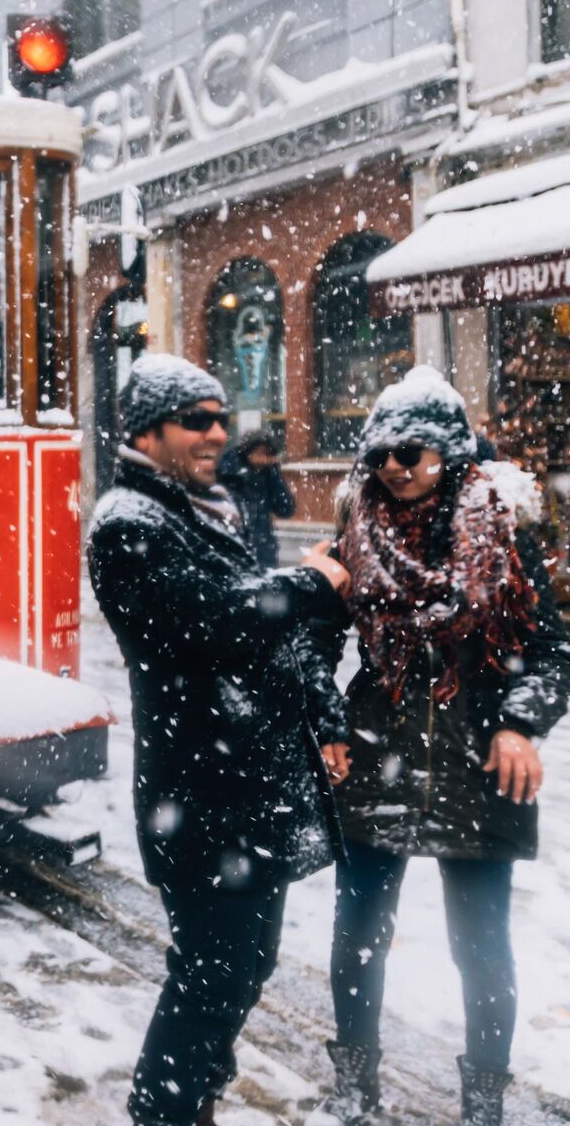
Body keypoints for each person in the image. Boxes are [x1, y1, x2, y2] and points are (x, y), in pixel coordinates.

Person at [88, 353, 352, 1126]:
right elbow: (212, 620)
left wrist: (326, 716)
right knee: (212, 971)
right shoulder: (128, 522)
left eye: (220, 418)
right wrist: (308, 587)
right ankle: (163, 1110)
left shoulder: (209, 509)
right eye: (195, 420)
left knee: (244, 964)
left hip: (246, 787)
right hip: (197, 791)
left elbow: (266, 640)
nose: (215, 434)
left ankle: (192, 1095)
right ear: (147, 430)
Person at [310, 367, 570, 1126]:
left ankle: (482, 1104)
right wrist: (327, 721)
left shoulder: (506, 532)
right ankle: (353, 1089)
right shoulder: (355, 527)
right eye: (383, 449)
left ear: (451, 450)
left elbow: (553, 652)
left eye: (415, 448)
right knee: (359, 934)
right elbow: (314, 645)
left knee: (481, 947)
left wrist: (521, 721)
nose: (395, 463)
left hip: (478, 760)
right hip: (375, 750)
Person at [216, 429, 296, 569]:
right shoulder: (228, 473)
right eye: (259, 453)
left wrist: (274, 473)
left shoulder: (267, 473)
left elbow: (285, 509)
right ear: (247, 452)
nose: (263, 459)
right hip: (234, 552)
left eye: (267, 454)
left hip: (264, 552)